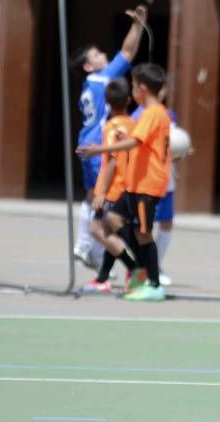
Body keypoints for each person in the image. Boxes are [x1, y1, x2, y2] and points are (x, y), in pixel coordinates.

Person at [77, 63, 172, 302]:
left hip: (147, 185)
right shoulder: (147, 115)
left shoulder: (153, 113)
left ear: (141, 89)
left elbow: (134, 143)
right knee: (115, 219)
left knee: (143, 234)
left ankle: (153, 283)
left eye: (134, 86)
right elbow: (137, 140)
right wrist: (123, 138)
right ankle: (134, 271)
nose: (133, 91)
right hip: (134, 185)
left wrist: (102, 148)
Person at [72, 4, 148, 271]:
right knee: (105, 200)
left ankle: (88, 248)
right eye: (97, 54)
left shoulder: (87, 86)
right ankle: (88, 244)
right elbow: (128, 52)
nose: (104, 55)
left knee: (91, 195)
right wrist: (138, 25)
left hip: (88, 141)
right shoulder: (102, 79)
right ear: (88, 65)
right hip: (100, 146)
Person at [80, 78, 139, 294]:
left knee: (97, 229)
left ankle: (135, 268)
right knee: (109, 230)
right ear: (129, 100)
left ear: (106, 102)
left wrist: (101, 192)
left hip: (115, 188)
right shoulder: (133, 123)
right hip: (129, 186)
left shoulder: (112, 127)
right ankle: (103, 277)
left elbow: (112, 160)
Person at [132, 92, 180, 287]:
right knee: (141, 229)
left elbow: (170, 147)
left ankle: (155, 268)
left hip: (164, 180)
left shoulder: (169, 115)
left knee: (165, 223)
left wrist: (180, 152)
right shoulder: (138, 115)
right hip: (145, 181)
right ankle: (143, 270)